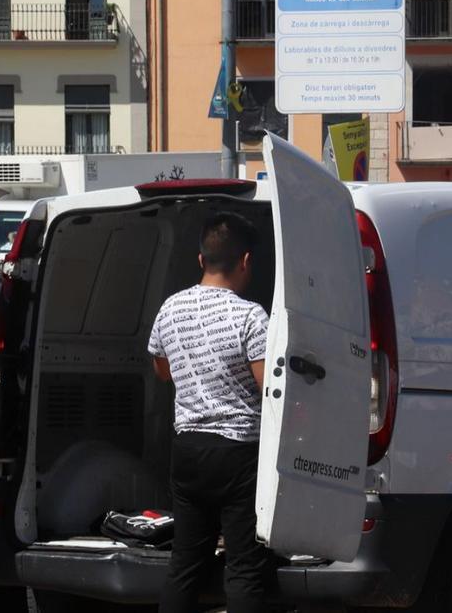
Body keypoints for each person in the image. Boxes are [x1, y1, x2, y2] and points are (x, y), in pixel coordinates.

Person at [148, 212, 271, 613]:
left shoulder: (170, 309)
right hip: (238, 453)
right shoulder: (250, 316)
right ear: (246, 261)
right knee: (243, 565)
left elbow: (162, 372)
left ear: (202, 260)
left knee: (185, 562)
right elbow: (268, 385)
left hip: (187, 450)